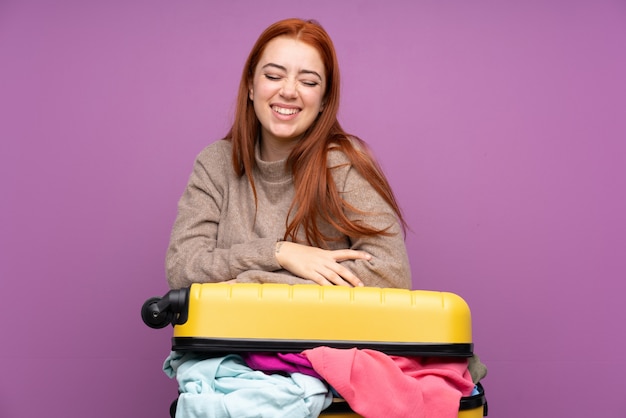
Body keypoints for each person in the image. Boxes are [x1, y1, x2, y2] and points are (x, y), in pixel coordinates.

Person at [165, 18, 411, 290]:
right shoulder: (215, 163)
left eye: (308, 82)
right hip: (229, 333)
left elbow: (391, 272)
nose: (289, 91)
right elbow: (182, 267)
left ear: (324, 100)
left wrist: (249, 282)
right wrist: (279, 252)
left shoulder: (345, 164)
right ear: (250, 85)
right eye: (273, 76)